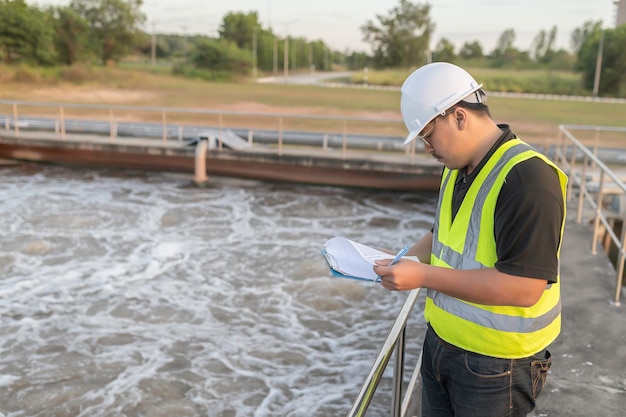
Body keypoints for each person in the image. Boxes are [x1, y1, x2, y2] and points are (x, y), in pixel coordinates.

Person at [374, 62, 567, 417]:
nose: (426, 147)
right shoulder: (456, 168)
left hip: (497, 366)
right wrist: (402, 259)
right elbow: (442, 235)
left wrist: (421, 277)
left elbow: (524, 287)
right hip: (442, 346)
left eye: (427, 135)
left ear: (459, 116)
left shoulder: (528, 179)